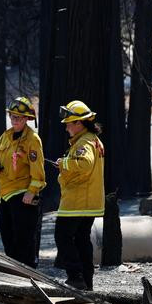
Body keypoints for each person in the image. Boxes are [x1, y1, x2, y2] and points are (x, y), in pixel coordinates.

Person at [0, 96, 46, 267]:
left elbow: (38, 170)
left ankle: (28, 275)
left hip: (22, 195)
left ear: (27, 118)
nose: (14, 120)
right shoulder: (5, 136)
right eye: (12, 116)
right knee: (8, 239)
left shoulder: (32, 140)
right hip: (4, 196)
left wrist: (32, 191)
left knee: (25, 240)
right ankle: (14, 273)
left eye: (19, 117)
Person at [55, 100, 105, 291]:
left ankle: (75, 276)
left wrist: (65, 164)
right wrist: (65, 163)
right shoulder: (94, 140)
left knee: (62, 235)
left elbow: (84, 164)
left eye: (69, 123)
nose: (66, 127)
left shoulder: (84, 142)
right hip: (90, 202)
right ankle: (86, 283)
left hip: (77, 201)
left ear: (79, 123)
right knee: (82, 240)